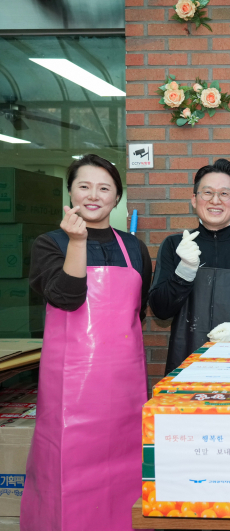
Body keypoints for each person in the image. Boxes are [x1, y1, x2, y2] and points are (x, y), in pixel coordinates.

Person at [23, 154, 152, 531]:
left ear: (117, 198)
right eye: (84, 186)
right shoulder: (50, 243)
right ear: (70, 193)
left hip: (125, 391)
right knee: (67, 471)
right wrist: (77, 241)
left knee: (126, 472)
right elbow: (67, 297)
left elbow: (138, 311)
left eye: (104, 188)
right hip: (71, 392)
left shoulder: (134, 247)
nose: (93, 196)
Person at [149, 159, 230, 374]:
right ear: (194, 200)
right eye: (207, 193)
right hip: (186, 365)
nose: (215, 200)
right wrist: (185, 270)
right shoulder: (174, 246)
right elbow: (160, 310)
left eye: (224, 194)